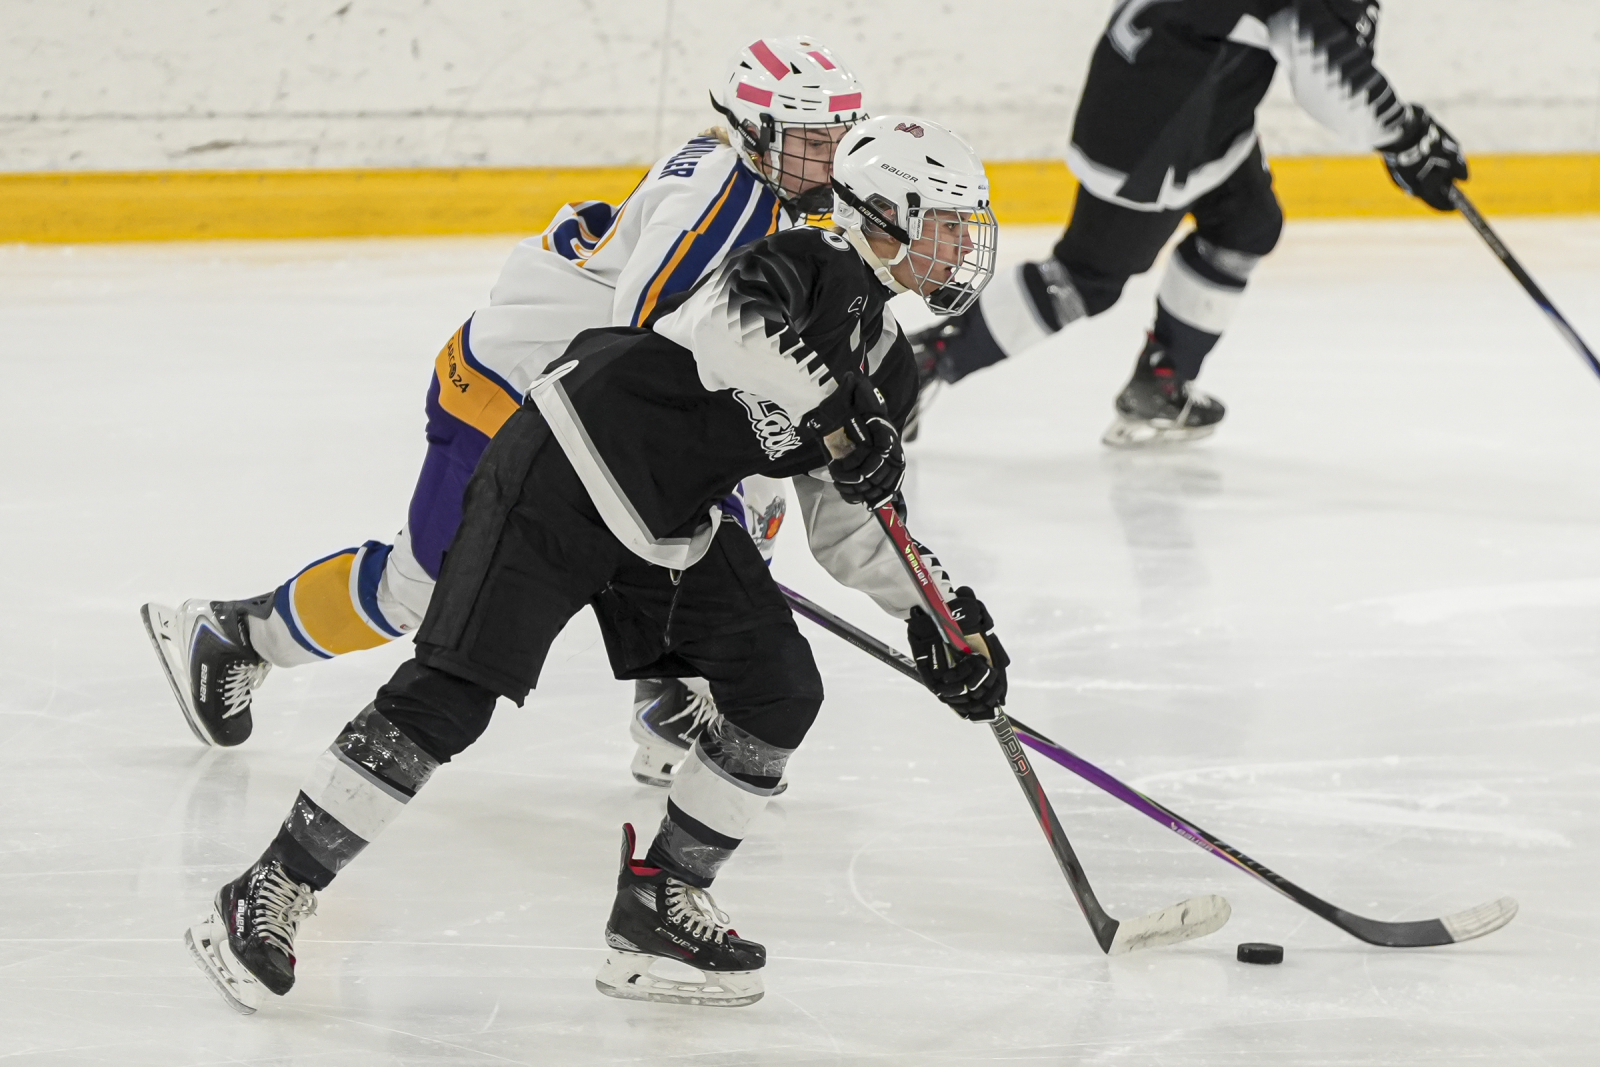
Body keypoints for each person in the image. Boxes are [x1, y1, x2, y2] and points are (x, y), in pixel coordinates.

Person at [183, 113, 1008, 1014]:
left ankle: (661, 903)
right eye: (947, 224)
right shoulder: (798, 257)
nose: (962, 247)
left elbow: (850, 525)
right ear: (883, 215)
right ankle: (268, 887)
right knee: (452, 694)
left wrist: (941, 614)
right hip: (565, 466)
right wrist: (837, 417)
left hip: (668, 526)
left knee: (779, 687)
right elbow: (726, 330)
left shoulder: (887, 366)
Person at [139, 37, 866, 789]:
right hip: (511, 389)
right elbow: (647, 341)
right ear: (756, 132)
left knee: (742, 503)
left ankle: (673, 698)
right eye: (812, 142)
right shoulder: (724, 205)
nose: (832, 158)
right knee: (425, 589)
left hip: (581, 394)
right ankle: (236, 634)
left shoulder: (770, 187)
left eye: (840, 137)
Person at [907, 0, 1468, 447]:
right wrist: (1407, 137)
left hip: (1190, 89)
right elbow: (1324, 70)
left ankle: (1162, 382)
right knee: (1087, 279)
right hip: (1160, 118)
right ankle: (917, 368)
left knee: (1246, 224)